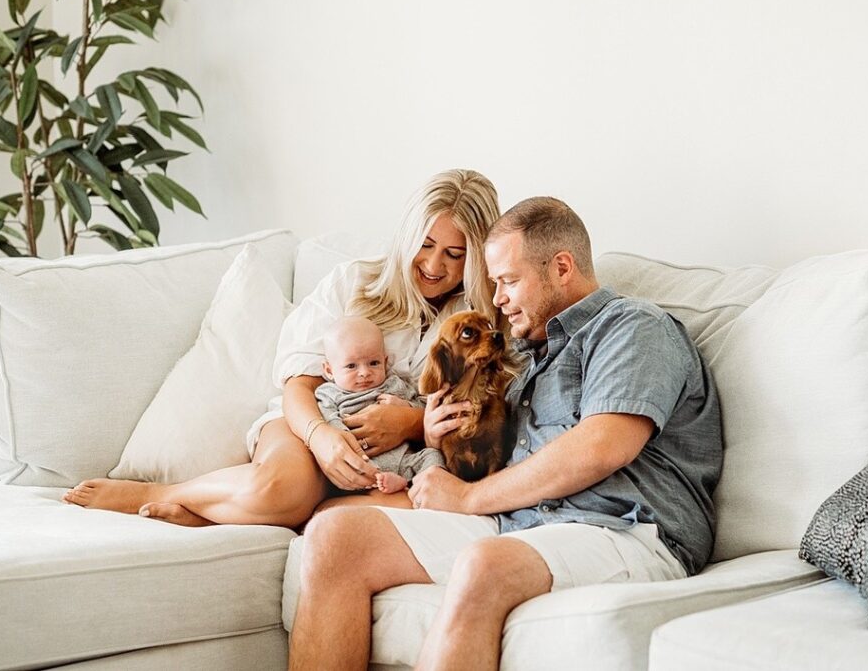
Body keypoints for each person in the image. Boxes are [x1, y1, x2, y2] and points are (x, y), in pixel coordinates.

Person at [288, 197, 724, 670]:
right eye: (494, 283)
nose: (496, 299)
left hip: (627, 528)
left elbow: (602, 447)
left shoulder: (633, 327)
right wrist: (434, 440)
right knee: (335, 537)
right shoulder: (525, 356)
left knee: (484, 564)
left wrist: (469, 499)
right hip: (523, 523)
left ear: (561, 267)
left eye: (508, 281)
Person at [63, 168, 503, 528]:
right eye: (425, 245)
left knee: (382, 515)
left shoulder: (484, 321)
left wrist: (409, 424)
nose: (432, 265)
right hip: (310, 424)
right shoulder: (355, 282)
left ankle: (232, 514)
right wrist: (323, 438)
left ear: (477, 258)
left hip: (398, 462)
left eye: (454, 254)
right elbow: (300, 385)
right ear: (407, 237)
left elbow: (468, 420)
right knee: (280, 491)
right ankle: (164, 493)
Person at [316, 315, 443, 494]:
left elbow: (423, 411)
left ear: (385, 361)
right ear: (329, 370)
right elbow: (328, 419)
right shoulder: (330, 393)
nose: (364, 373)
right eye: (351, 366)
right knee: (342, 467)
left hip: (405, 459)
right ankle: (382, 483)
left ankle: (423, 484)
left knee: (432, 456)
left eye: (373, 363)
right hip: (363, 461)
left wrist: (404, 406)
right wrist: (342, 433)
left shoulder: (394, 384)